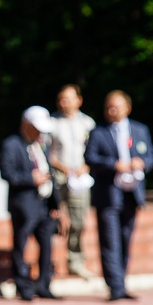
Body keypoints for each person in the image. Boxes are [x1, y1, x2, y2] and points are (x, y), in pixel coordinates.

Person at [85, 90, 153, 302]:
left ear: (127, 108)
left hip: (131, 194)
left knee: (125, 239)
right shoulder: (98, 132)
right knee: (110, 241)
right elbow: (90, 157)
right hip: (108, 195)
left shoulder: (140, 130)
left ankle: (121, 282)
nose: (111, 110)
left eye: (115, 106)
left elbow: (151, 156)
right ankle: (115, 286)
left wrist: (141, 162)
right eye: (108, 106)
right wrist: (114, 165)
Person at [0, 106, 63, 301]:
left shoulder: (42, 145)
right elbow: (7, 173)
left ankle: (43, 284)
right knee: (21, 244)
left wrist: (56, 205)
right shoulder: (12, 144)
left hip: (44, 204)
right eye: (36, 128)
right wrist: (30, 179)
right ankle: (23, 286)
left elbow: (50, 173)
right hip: (24, 203)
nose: (39, 132)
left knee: (46, 245)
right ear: (26, 125)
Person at [48, 84, 96, 279]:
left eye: (68, 98)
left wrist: (86, 167)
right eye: (61, 98)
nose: (64, 102)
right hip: (57, 177)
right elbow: (47, 153)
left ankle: (75, 261)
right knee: (51, 221)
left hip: (79, 179)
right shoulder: (52, 123)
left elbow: (94, 151)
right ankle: (47, 263)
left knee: (78, 221)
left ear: (79, 100)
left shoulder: (88, 123)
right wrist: (62, 167)